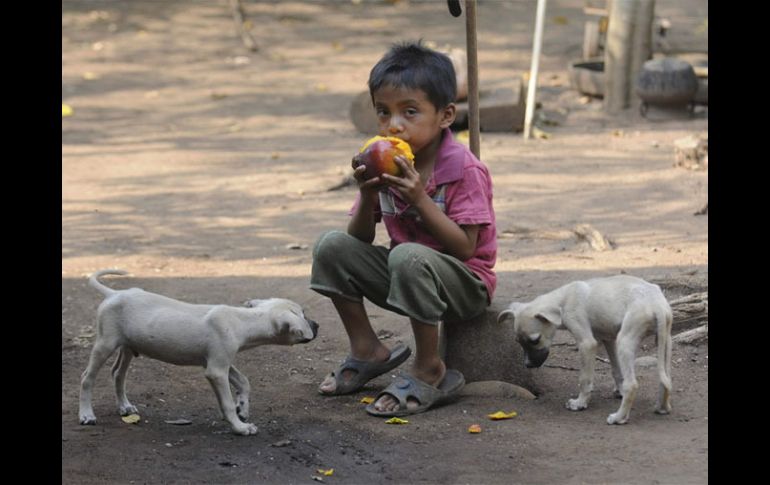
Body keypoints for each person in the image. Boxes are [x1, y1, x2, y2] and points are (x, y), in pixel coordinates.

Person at [310, 40, 497, 417]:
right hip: (407, 273)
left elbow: (465, 249)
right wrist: (366, 195)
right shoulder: (386, 163)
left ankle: (430, 368)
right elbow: (360, 239)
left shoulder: (462, 169)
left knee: (408, 255)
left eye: (410, 112)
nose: (394, 125)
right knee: (331, 246)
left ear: (445, 116)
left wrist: (420, 200)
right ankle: (367, 349)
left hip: (464, 283)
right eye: (384, 112)